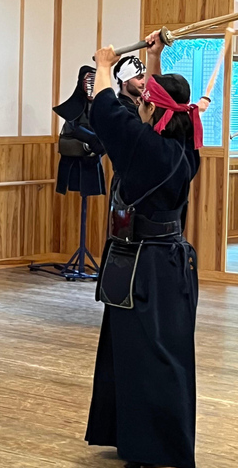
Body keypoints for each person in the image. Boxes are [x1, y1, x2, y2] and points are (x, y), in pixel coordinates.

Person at [86, 31, 201, 468]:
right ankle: (138, 437)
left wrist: (102, 64)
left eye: (144, 102)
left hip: (142, 267)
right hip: (171, 265)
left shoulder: (143, 147)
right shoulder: (184, 148)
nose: (138, 104)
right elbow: (152, 109)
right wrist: (154, 58)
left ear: (152, 108)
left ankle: (152, 447)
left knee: (145, 357)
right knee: (157, 353)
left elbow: (103, 109)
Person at [55, 66, 107, 197]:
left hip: (93, 158)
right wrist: (92, 139)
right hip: (74, 158)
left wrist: (101, 144)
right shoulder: (74, 105)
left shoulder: (100, 105)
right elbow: (72, 127)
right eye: (88, 81)